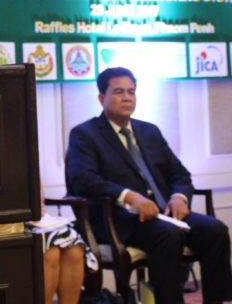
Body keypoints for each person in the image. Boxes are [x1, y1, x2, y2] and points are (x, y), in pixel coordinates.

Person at [66, 66, 232, 304]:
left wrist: (179, 197)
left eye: (131, 91)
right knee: (168, 235)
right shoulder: (85, 134)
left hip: (164, 214)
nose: (127, 97)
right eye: (119, 92)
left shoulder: (149, 131)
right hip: (119, 219)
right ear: (102, 98)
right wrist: (128, 196)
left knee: (215, 230)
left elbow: (180, 174)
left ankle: (217, 301)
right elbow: (83, 180)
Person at [26, 194, 98, 304]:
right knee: (51, 251)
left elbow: (38, 196)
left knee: (74, 249)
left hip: (38, 219)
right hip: (10, 222)